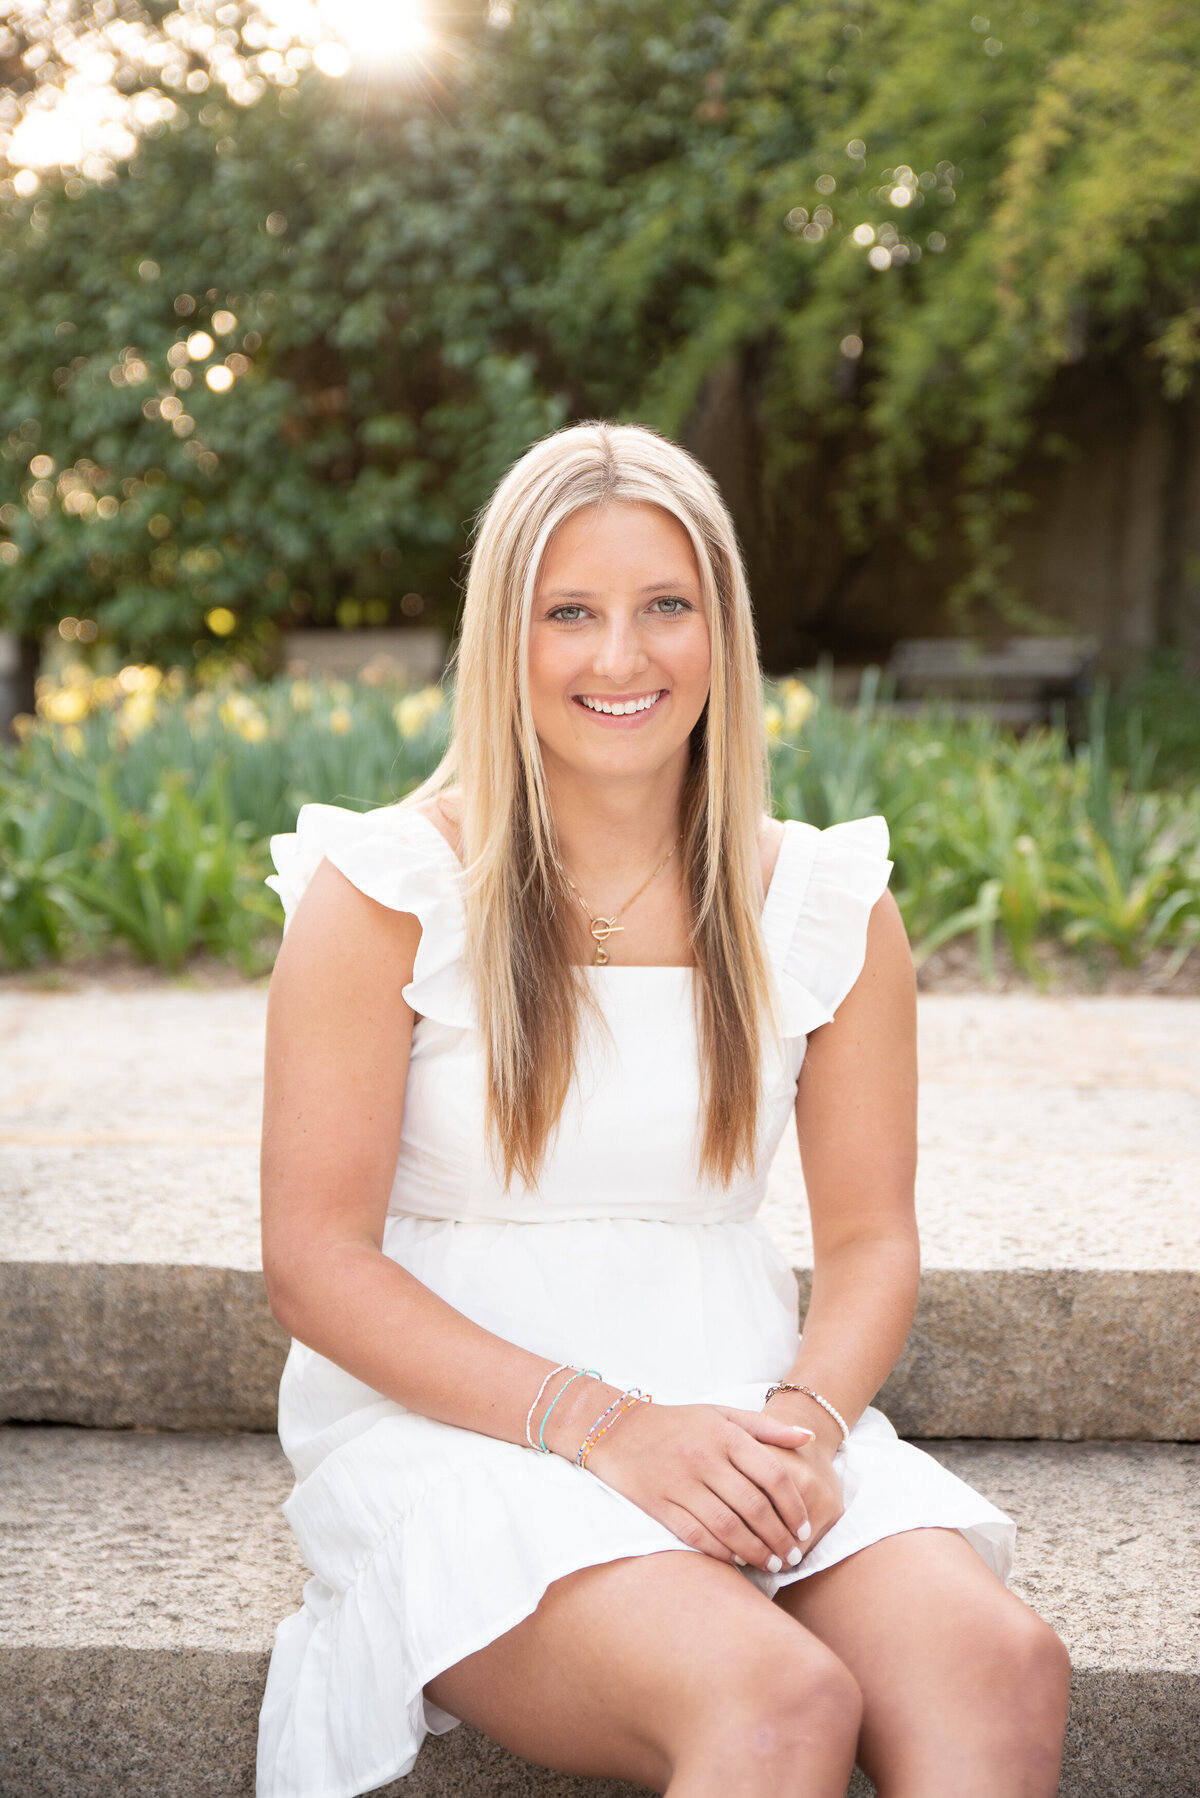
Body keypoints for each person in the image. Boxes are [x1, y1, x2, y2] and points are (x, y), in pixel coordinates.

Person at [256, 421, 1071, 1798]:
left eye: (664, 608)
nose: (620, 659)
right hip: (463, 1418)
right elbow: (314, 1258)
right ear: (503, 636)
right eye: (568, 612)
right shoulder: (387, 890)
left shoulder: (823, 904)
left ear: (723, 630)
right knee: (777, 1698)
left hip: (741, 1398)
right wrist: (608, 1425)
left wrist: (804, 1425)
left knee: (1000, 1663)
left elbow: (872, 1237)